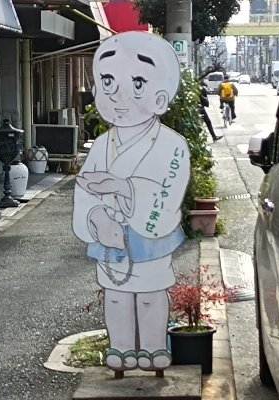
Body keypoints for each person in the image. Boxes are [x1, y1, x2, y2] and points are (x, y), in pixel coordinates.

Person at [72, 31, 190, 373]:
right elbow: (84, 192)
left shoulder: (172, 145)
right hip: (110, 237)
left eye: (138, 83)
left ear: (161, 98)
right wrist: (95, 217)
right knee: (117, 295)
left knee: (152, 294)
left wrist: (123, 187)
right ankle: (121, 347)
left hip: (149, 236)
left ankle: (153, 348)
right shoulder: (101, 146)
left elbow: (167, 192)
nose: (119, 94)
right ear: (96, 90)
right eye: (108, 81)